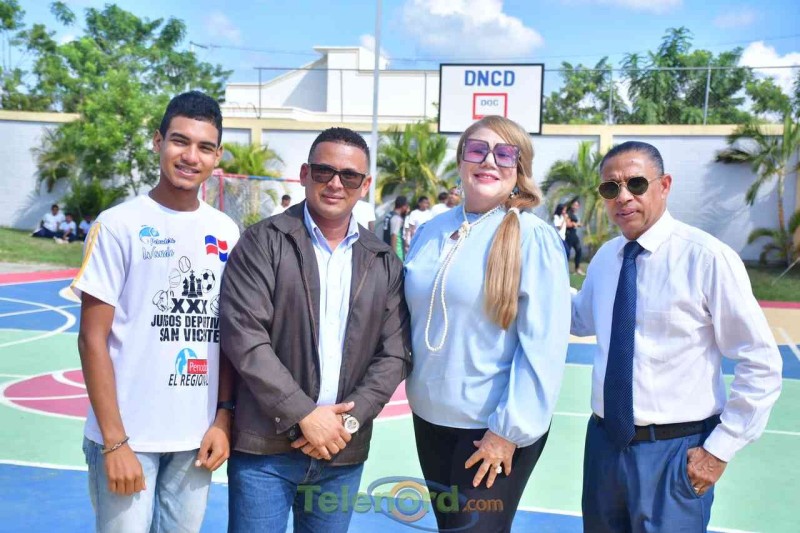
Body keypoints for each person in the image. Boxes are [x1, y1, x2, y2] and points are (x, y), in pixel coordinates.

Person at [571, 141, 782, 533]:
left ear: (664, 185)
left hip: (674, 452)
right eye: (611, 188)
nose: (623, 197)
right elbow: (579, 318)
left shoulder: (706, 258)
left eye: (636, 183)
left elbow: (762, 362)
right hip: (603, 447)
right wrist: (529, 277)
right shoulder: (605, 259)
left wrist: (719, 450)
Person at [219, 127, 411, 533]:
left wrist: (347, 423)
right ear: (305, 174)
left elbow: (395, 354)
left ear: (365, 186)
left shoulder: (383, 260)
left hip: (341, 452)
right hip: (265, 452)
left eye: (350, 176)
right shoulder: (261, 242)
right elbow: (245, 338)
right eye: (324, 171)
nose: (336, 183)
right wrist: (304, 414)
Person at [71, 91, 240, 532]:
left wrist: (223, 418)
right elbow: (91, 339)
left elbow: (229, 336)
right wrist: (114, 442)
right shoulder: (118, 224)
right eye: (179, 141)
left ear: (217, 155)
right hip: (128, 439)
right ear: (158, 141)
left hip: (195, 441)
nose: (191, 156)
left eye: (204, 147)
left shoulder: (226, 231)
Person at [404, 115, 571, 532]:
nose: (489, 161)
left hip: (490, 430)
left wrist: (508, 431)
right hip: (431, 420)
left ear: (519, 166)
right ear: (461, 160)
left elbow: (543, 346)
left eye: (504, 153)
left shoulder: (532, 237)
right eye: (477, 150)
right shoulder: (431, 231)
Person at [382, 195, 409, 260]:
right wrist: (394, 257)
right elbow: (394, 236)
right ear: (403, 206)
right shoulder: (396, 218)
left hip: (386, 249)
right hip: (397, 253)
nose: (407, 209)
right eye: (407, 206)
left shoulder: (388, 215)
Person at [565, 197, 584, 275]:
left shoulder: (575, 214)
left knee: (579, 250)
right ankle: (563, 269)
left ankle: (577, 269)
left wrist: (578, 224)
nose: (575, 207)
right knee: (567, 253)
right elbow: (567, 224)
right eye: (574, 205)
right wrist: (576, 224)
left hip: (574, 235)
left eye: (576, 205)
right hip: (568, 235)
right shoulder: (568, 213)